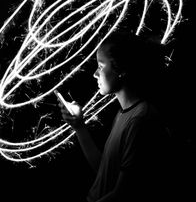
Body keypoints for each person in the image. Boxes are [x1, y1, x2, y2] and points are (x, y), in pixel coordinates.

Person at [58, 31, 175, 202]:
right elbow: (105, 172)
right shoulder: (123, 114)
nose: (95, 74)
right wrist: (79, 127)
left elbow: (123, 194)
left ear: (121, 69)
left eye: (101, 65)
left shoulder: (140, 120)